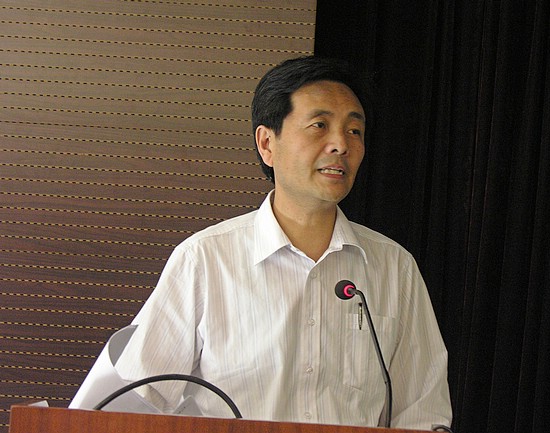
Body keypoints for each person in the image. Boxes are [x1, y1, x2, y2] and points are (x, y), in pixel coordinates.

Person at [70, 56, 452, 431]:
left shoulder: (394, 267)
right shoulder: (205, 259)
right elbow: (132, 405)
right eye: (319, 125)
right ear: (267, 143)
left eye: (354, 131)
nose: (340, 144)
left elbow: (423, 413)